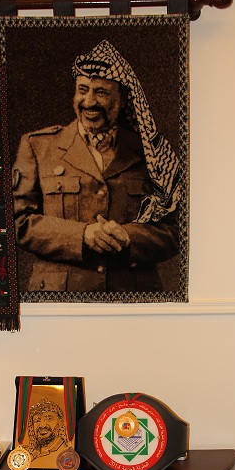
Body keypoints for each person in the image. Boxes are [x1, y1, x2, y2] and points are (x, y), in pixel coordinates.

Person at [13, 40, 181, 294]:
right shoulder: (38, 146)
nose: (89, 101)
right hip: (61, 300)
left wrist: (129, 237)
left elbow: (176, 231)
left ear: (123, 99)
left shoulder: (151, 153)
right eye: (83, 90)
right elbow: (16, 222)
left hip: (132, 298)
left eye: (101, 92)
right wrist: (81, 235)